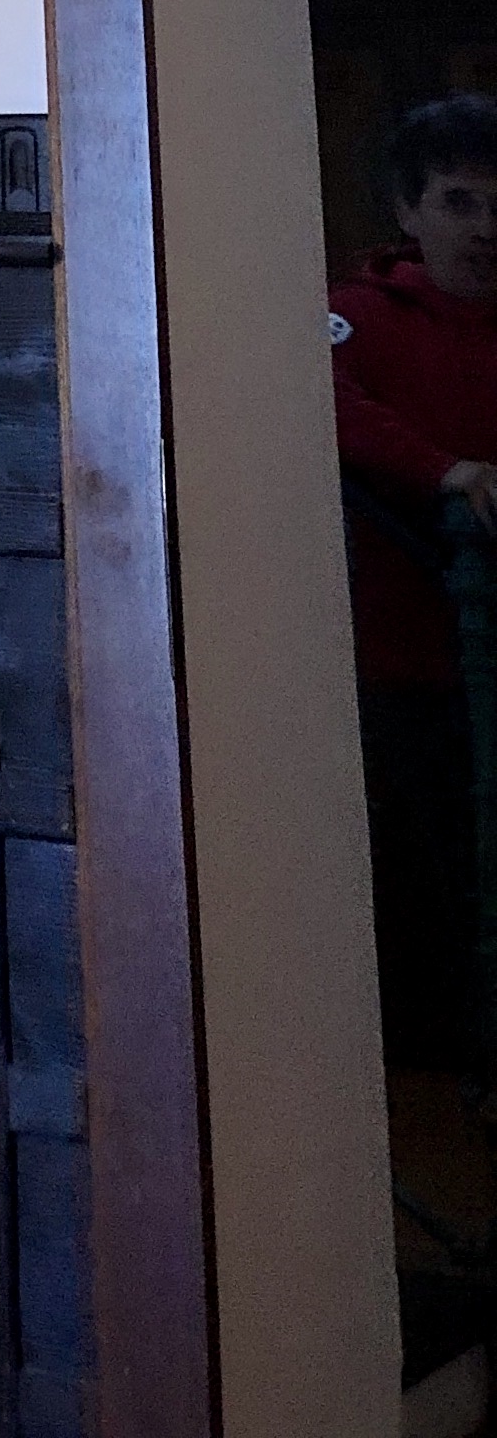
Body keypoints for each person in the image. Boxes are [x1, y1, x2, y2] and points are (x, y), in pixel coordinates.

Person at [332, 94, 497, 1071]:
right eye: (459, 203)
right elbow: (322, 401)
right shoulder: (356, 318)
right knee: (433, 872)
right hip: (406, 659)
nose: (485, 230)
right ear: (409, 210)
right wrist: (445, 471)